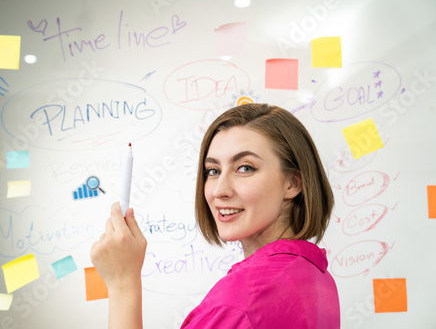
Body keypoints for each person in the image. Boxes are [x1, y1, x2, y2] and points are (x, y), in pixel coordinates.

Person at [90, 103, 340, 328]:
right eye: (212, 170)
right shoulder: (317, 277)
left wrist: (123, 284)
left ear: (293, 183)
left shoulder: (241, 303)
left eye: (245, 168)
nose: (219, 190)